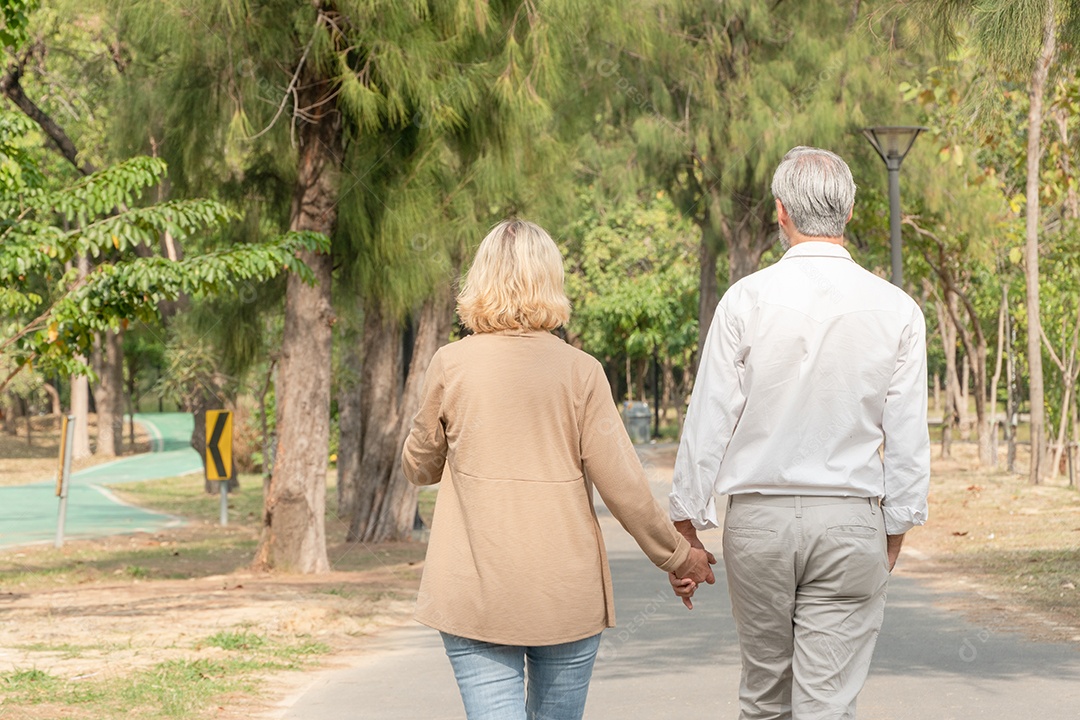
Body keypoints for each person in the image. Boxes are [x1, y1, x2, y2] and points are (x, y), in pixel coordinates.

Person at [402, 218, 715, 720]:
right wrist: (679, 558)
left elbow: (419, 467)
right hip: (566, 597)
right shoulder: (581, 371)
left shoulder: (450, 364)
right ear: (551, 281)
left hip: (475, 595)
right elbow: (626, 488)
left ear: (479, 280)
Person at [669, 146, 931, 719]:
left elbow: (708, 417)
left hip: (758, 523)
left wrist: (687, 529)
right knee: (826, 705)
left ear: (781, 212)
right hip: (849, 522)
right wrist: (894, 531)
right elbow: (907, 437)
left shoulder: (745, 300)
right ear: (852, 212)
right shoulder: (897, 309)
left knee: (764, 697)